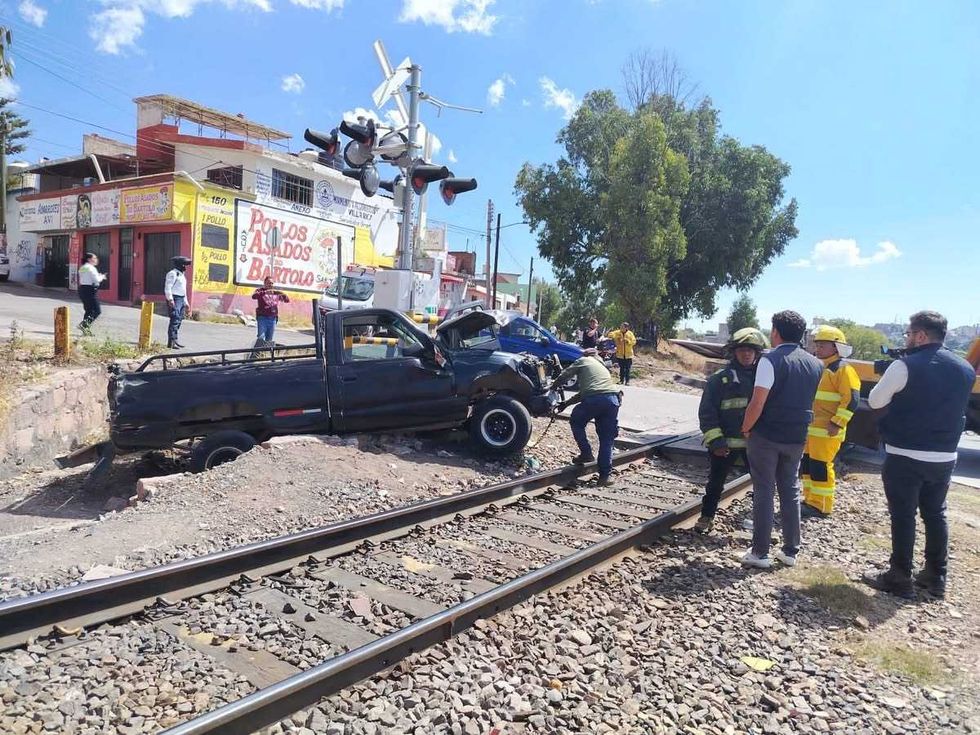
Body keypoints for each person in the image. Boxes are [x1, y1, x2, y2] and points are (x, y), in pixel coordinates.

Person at [863, 311, 974, 600]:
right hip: (945, 456)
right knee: (935, 513)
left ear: (921, 335)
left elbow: (875, 400)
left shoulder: (904, 365)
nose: (907, 339)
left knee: (903, 515)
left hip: (905, 454)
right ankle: (936, 576)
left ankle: (899, 576)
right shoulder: (965, 368)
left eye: (909, 334)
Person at [739, 310, 823, 569]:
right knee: (790, 489)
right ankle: (790, 551)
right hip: (797, 436)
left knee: (764, 490)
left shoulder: (769, 360)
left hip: (767, 434)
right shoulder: (816, 364)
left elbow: (758, 402)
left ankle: (760, 553)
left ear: (775, 332)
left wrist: (746, 428)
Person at [695, 327, 769, 532]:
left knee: (762, 486)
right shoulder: (719, 379)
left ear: (757, 353)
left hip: (756, 445)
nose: (746, 354)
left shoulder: (764, 379)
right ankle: (706, 517)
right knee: (715, 484)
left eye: (750, 350)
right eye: (742, 350)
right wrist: (716, 441)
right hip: (724, 445)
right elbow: (707, 413)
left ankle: (761, 525)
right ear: (734, 352)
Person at [801, 325, 862, 518]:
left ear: (836, 347)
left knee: (820, 466)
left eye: (822, 345)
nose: (817, 349)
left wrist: (837, 423)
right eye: (817, 345)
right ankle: (810, 500)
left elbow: (851, 399)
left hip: (827, 430)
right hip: (813, 429)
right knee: (808, 465)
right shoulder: (822, 368)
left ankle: (821, 506)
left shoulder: (843, 370)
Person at [554, 348, 622, 486]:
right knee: (607, 439)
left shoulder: (584, 360)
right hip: (612, 400)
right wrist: (566, 404)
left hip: (596, 399)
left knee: (576, 420)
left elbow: (565, 374)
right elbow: (586, 392)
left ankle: (586, 453)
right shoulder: (602, 367)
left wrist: (552, 387)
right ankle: (605, 477)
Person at [252, 276, 290, 343]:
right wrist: (265, 292)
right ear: (264, 283)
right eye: (269, 283)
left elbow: (287, 300)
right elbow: (254, 296)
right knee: (261, 338)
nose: (270, 285)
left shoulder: (275, 292)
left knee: (269, 340)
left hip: (273, 319)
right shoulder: (260, 290)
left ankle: (266, 350)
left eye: (272, 283)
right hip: (262, 318)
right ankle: (257, 349)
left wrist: (283, 294)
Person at [164, 256, 191, 349]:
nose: (185, 267)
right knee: (174, 320)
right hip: (175, 298)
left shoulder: (181, 275)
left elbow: (183, 290)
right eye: (183, 265)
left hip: (181, 299)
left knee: (179, 320)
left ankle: (175, 340)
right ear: (179, 265)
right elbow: (168, 287)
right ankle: (171, 342)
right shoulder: (172, 274)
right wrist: (170, 299)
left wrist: (186, 303)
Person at [77, 252, 106, 335]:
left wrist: (97, 276)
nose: (96, 260)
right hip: (90, 290)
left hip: (82, 289)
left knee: (88, 310)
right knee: (97, 310)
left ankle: (85, 330)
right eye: (95, 258)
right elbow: (96, 280)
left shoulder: (83, 267)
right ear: (89, 259)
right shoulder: (91, 268)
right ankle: (84, 325)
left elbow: (86, 276)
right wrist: (102, 276)